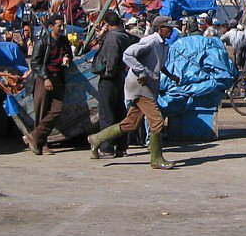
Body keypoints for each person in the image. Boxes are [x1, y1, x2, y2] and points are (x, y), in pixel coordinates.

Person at [87, 15, 181, 169]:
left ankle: (97, 138)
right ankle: (156, 159)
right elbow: (128, 55)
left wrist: (171, 76)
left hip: (150, 85)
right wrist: (141, 71)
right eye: (168, 27)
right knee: (156, 121)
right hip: (140, 85)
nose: (171, 30)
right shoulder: (150, 41)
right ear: (159, 28)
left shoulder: (163, 45)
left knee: (131, 123)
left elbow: (157, 63)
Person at [24, 14, 73, 155]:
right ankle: (41, 144)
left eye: (63, 25)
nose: (62, 28)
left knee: (57, 109)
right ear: (51, 27)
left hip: (58, 78)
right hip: (43, 78)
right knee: (41, 111)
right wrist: (45, 78)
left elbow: (69, 56)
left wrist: (67, 58)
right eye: (59, 26)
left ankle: (35, 136)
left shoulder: (64, 41)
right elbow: (35, 63)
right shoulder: (43, 42)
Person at [94, 10, 133, 157]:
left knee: (107, 115)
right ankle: (122, 146)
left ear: (107, 24)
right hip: (121, 78)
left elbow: (111, 59)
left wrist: (107, 73)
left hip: (110, 80)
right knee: (119, 113)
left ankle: (107, 147)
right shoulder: (125, 36)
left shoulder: (112, 37)